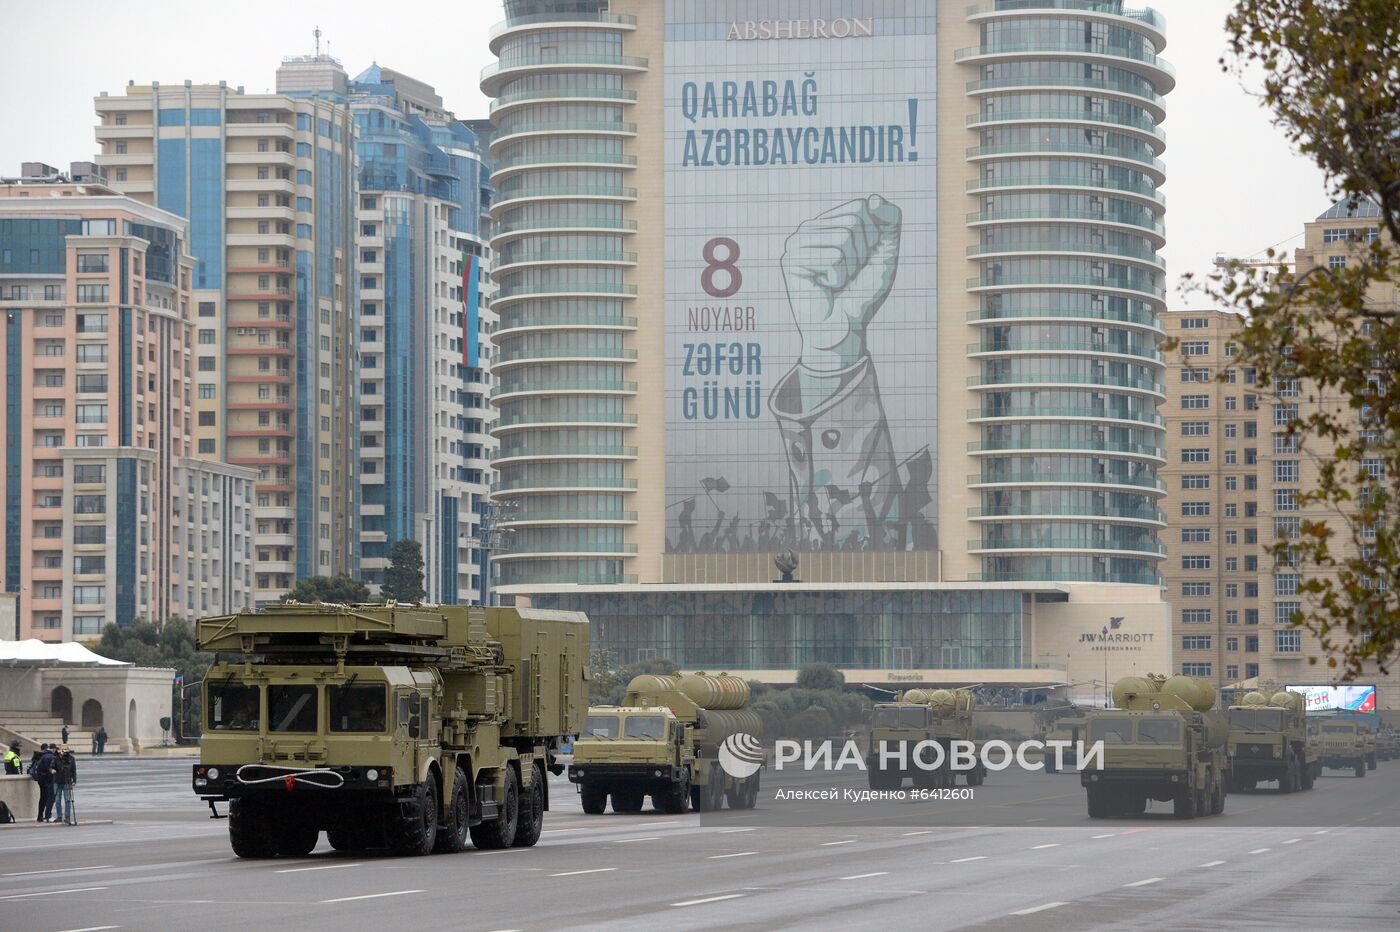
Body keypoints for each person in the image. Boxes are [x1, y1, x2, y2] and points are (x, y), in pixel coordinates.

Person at [52, 745, 77, 826]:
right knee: (57, 799)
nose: (64, 751)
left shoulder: (71, 758)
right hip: (57, 780)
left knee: (67, 800)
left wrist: (74, 780)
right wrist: (52, 770)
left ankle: (67, 817)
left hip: (67, 781)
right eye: (62, 750)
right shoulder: (56, 758)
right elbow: (51, 767)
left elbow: (73, 770)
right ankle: (59, 816)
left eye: (66, 750)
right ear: (59, 750)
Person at [33, 744, 56, 822]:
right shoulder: (49, 757)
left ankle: (40, 816)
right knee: (49, 797)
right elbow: (49, 769)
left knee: (43, 798)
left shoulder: (42, 755)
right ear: (54, 749)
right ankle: (47, 815)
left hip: (41, 779)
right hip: (47, 780)